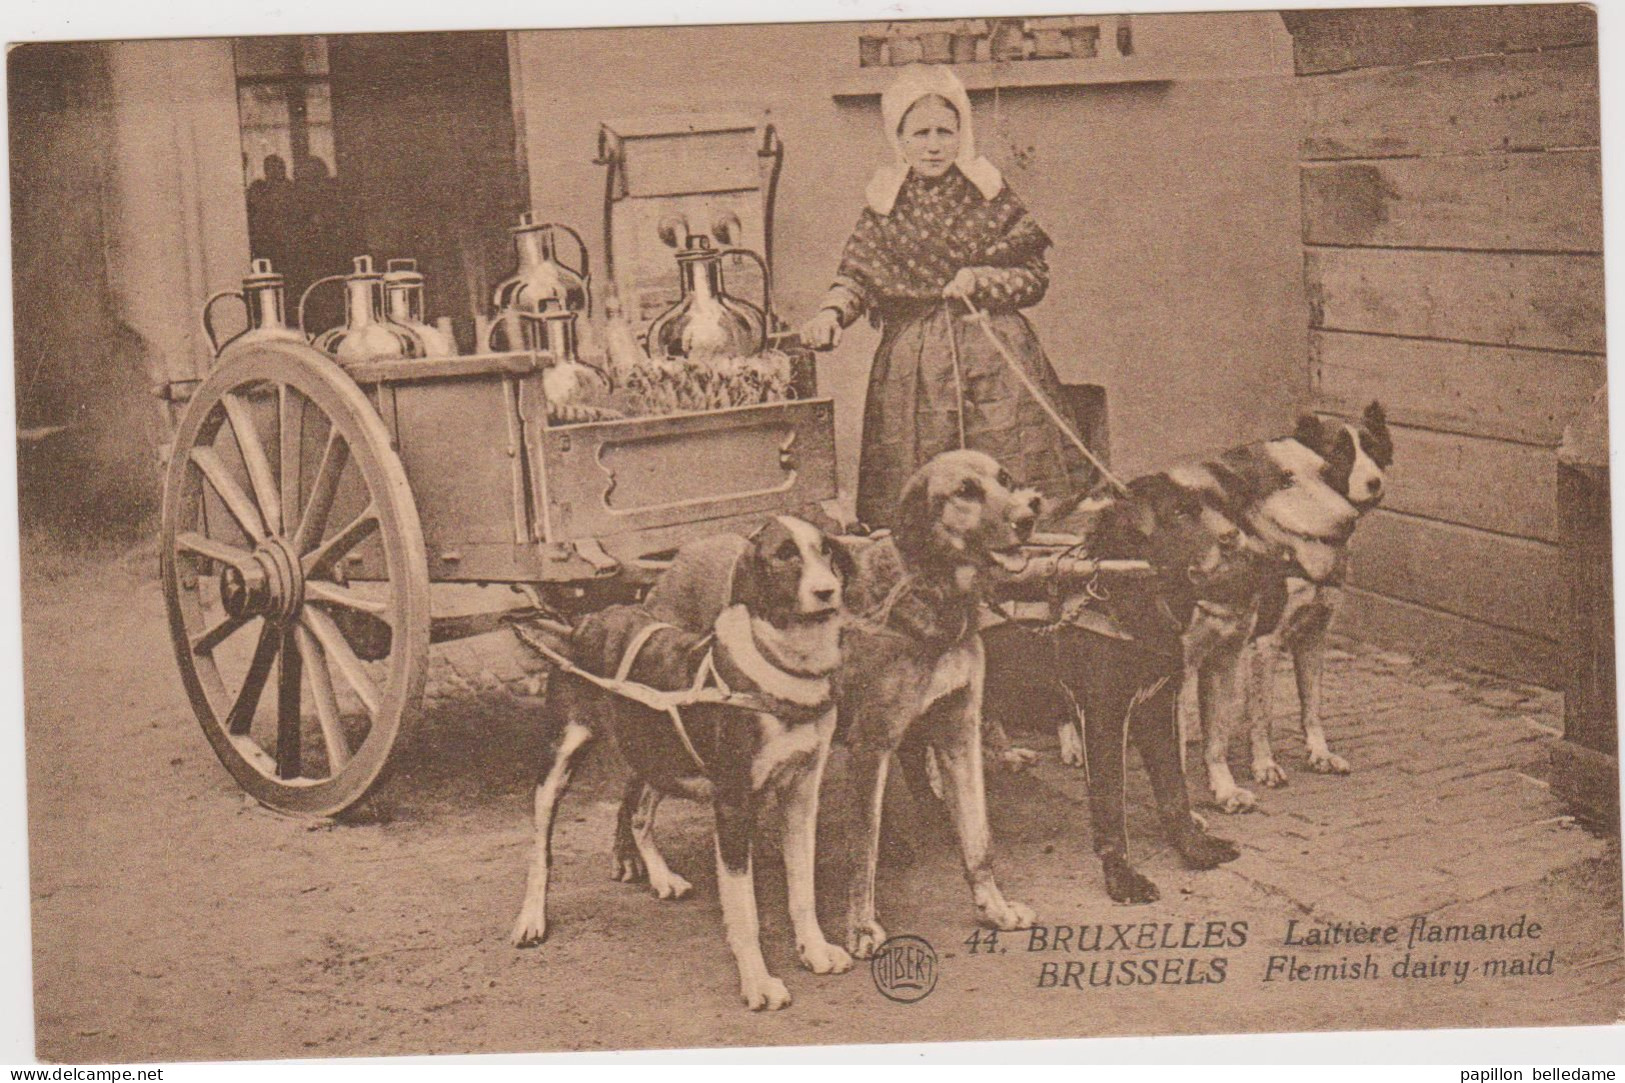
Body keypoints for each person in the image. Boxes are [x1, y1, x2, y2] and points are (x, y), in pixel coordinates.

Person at [800, 64, 1088, 530]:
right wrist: (831, 313)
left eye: (944, 132)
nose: (933, 145)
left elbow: (1034, 276)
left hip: (993, 357)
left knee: (1010, 477)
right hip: (912, 370)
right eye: (919, 134)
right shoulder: (885, 205)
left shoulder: (989, 194)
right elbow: (857, 276)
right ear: (899, 138)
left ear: (962, 134)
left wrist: (980, 280)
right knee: (922, 492)